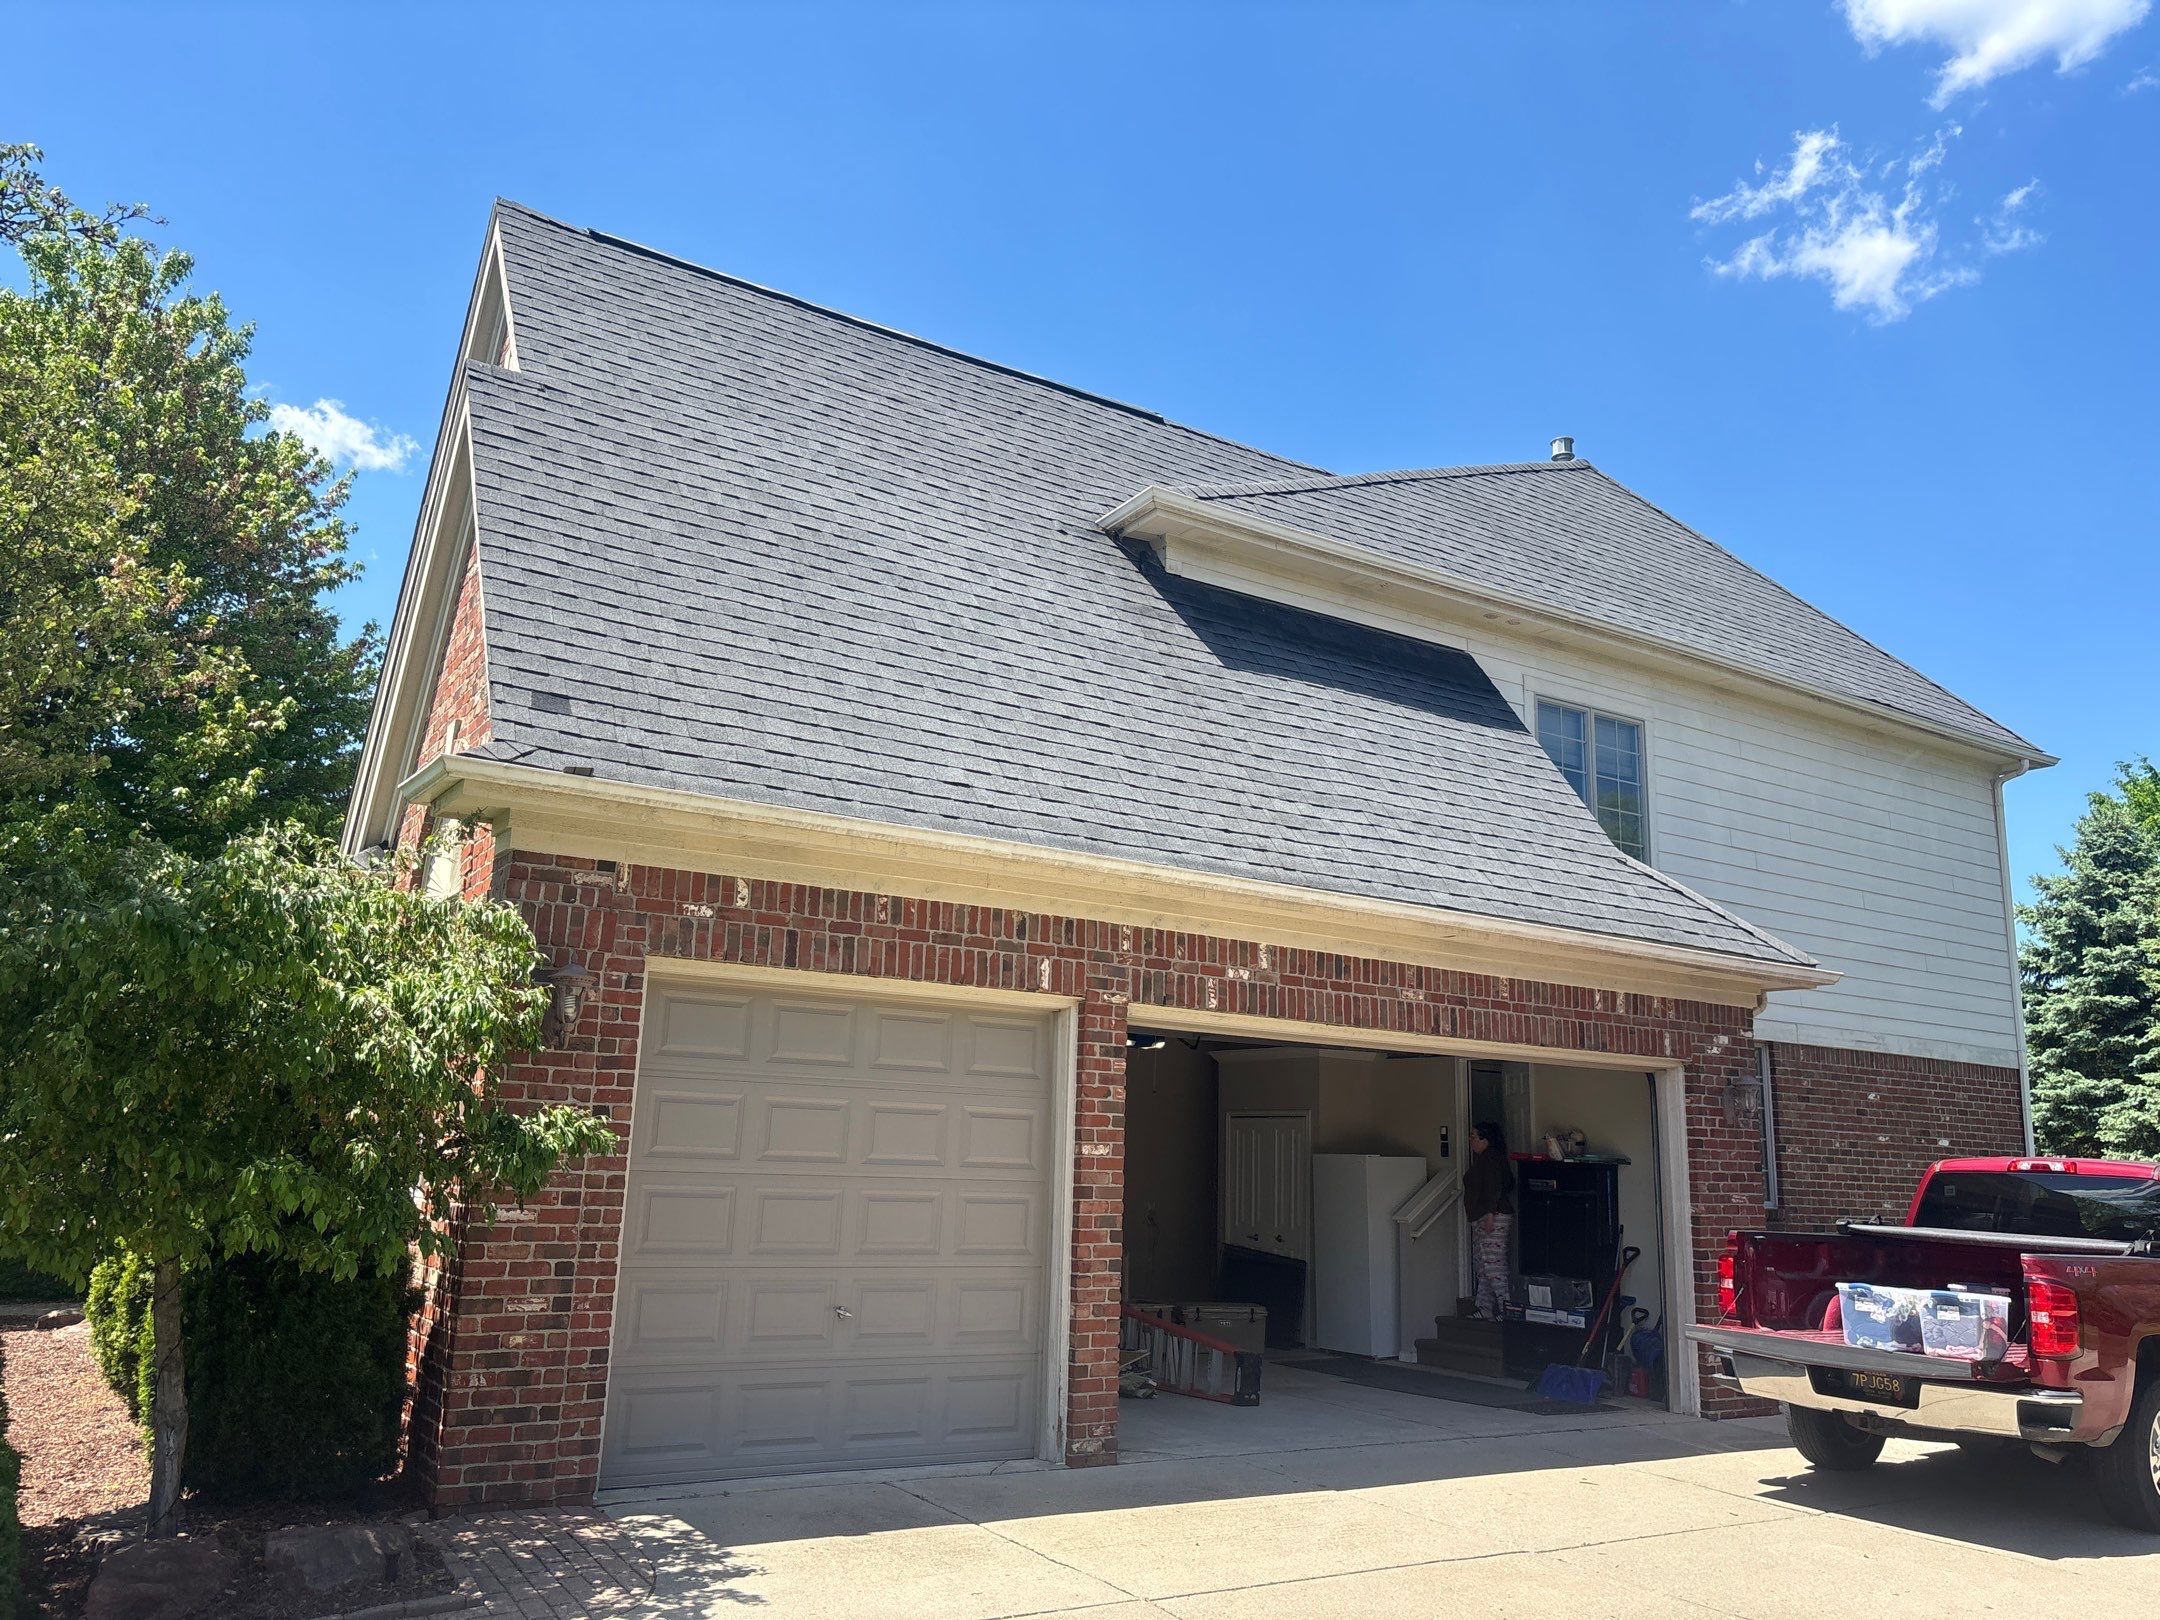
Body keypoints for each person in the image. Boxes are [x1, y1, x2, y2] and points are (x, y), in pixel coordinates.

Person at [1465, 1121, 1516, 1320]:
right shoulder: (1487, 1159)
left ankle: (1507, 1309)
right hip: (1483, 1216)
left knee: (1494, 1264)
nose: (1471, 1140)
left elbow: (1495, 1187)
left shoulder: (1490, 1159)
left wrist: (1490, 1213)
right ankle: (1485, 1307)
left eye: (1474, 1137)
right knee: (1482, 1263)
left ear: (1486, 1140)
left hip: (1492, 1217)